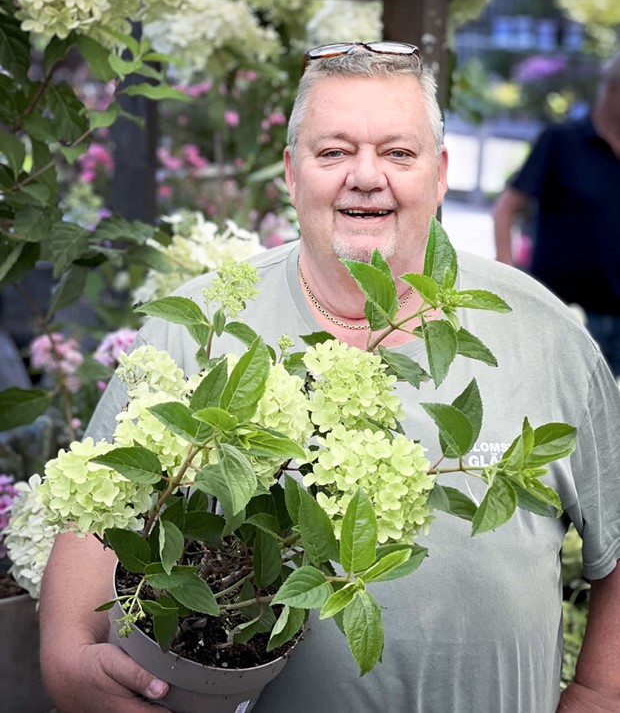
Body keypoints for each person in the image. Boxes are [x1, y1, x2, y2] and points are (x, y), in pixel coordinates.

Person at [40, 42, 620, 713]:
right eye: (334, 151)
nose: (366, 176)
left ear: (439, 175)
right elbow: (92, 518)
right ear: (291, 174)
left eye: (398, 153)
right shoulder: (200, 324)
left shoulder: (547, 337)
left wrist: (601, 690)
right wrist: (65, 657)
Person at [493, 52, 620, 377]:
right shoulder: (562, 141)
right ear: (612, 89)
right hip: (554, 305)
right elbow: (506, 208)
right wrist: (507, 276)